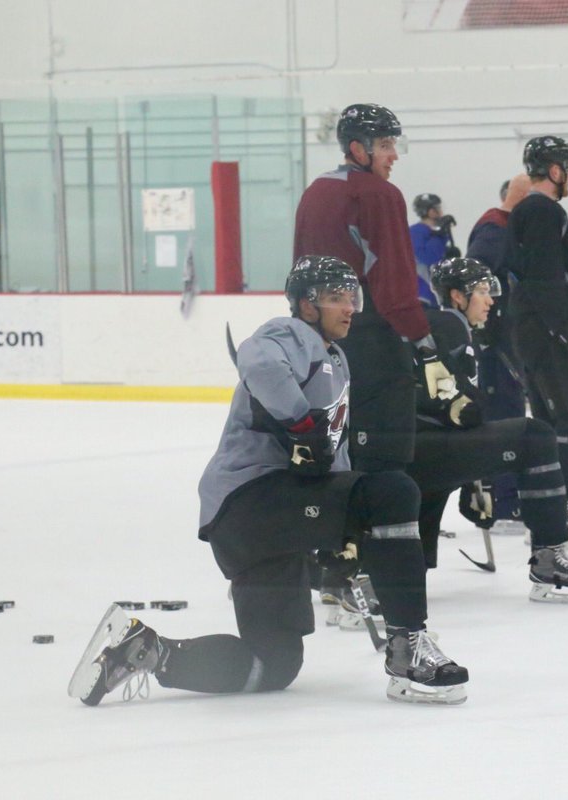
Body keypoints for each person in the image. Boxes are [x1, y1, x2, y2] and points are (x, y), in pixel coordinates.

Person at [69, 257, 469, 707]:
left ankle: (148, 651)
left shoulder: (336, 359)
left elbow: (331, 454)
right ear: (306, 304)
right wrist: (300, 425)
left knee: (273, 663)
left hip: (254, 527)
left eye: (351, 297)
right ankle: (408, 648)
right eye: (336, 297)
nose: (349, 307)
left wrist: (341, 538)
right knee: (395, 491)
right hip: (253, 499)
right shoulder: (291, 334)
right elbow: (256, 361)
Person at [407, 257, 568, 602]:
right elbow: (458, 408)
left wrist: (474, 477)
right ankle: (548, 558)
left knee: (412, 564)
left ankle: (376, 575)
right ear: (456, 296)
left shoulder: (438, 325)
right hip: (431, 448)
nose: (491, 300)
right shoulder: (450, 327)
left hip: (419, 449)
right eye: (482, 292)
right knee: (536, 437)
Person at [292, 103, 453, 475]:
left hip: (318, 344)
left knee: (338, 450)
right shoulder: (380, 194)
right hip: (370, 341)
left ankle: (345, 531)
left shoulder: (314, 191)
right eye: (384, 145)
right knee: (384, 459)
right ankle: (384, 530)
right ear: (357, 148)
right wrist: (425, 345)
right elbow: (393, 285)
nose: (394, 154)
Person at [504, 135, 568, 548]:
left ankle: (545, 511)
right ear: (555, 170)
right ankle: (564, 508)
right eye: (567, 167)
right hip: (548, 337)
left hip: (537, 335)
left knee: (551, 425)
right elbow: (547, 282)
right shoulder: (543, 211)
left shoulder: (535, 211)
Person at [463, 173, 533, 533]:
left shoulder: (509, 228)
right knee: (503, 415)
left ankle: (508, 497)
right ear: (518, 195)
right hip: (493, 344)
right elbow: (472, 279)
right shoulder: (494, 228)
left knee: (510, 412)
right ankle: (503, 504)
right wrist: (487, 328)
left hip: (507, 338)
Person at [409, 193, 458, 308]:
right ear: (431, 212)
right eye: (438, 208)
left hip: (435, 292)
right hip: (422, 293)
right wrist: (439, 235)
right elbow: (428, 258)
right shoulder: (416, 232)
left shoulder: (437, 233)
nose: (441, 212)